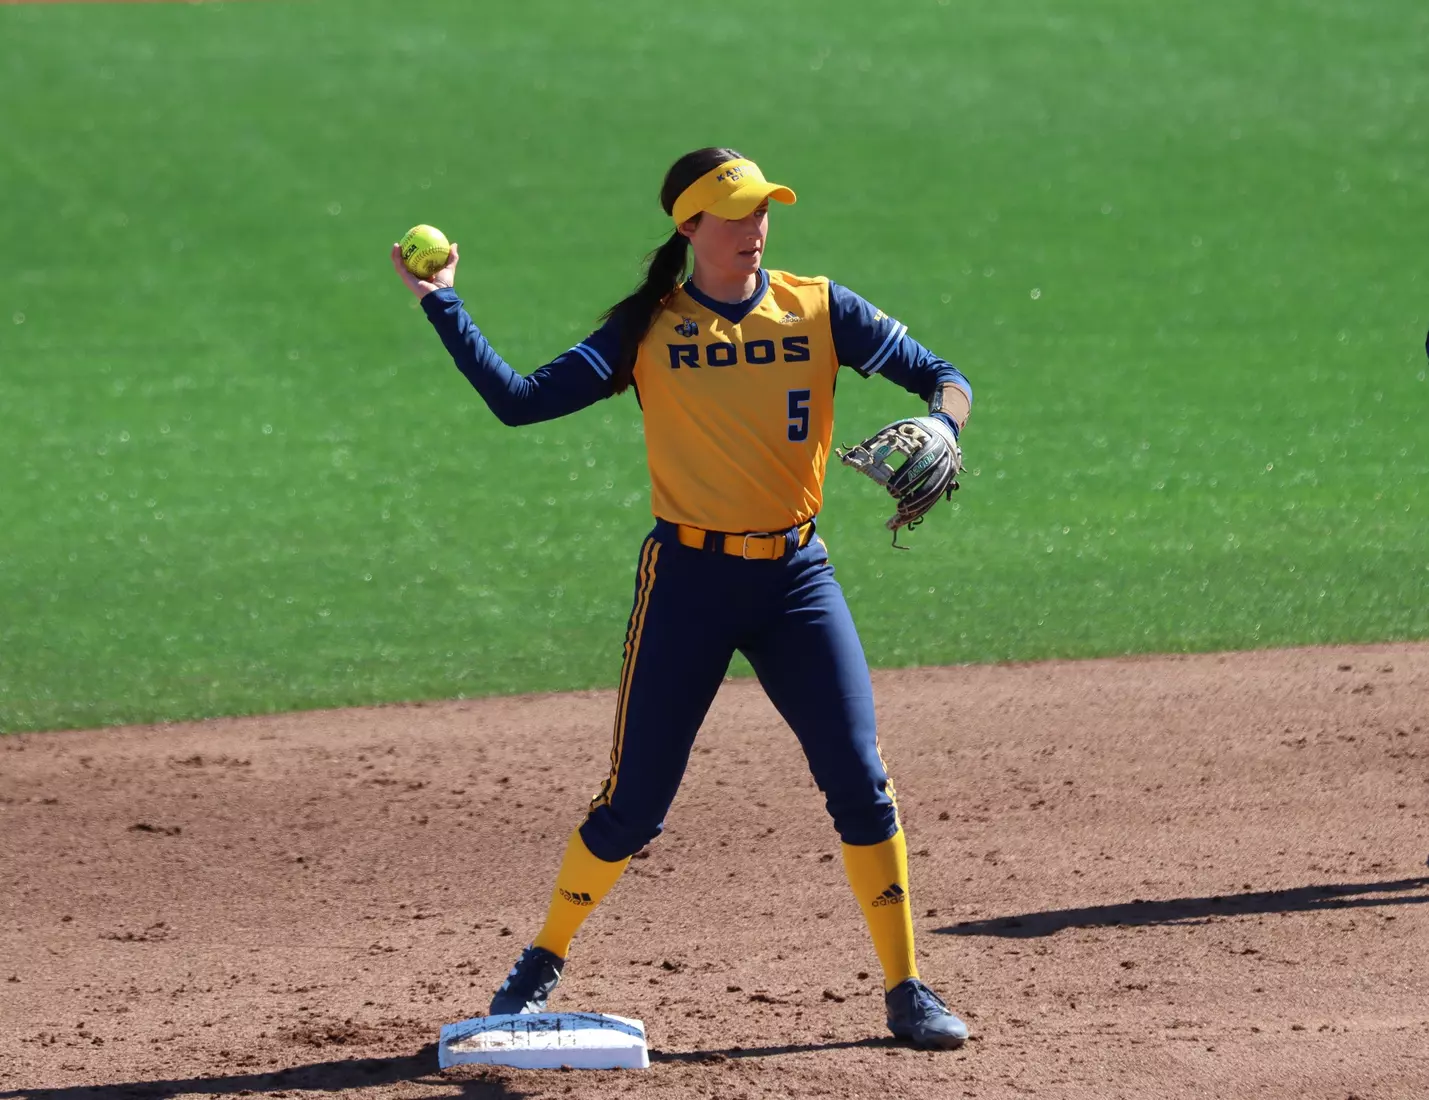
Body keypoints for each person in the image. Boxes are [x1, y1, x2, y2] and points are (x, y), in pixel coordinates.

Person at [389, 147, 974, 1049]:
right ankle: (540, 962)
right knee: (635, 806)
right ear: (690, 226)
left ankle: (907, 989)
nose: (755, 229)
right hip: (688, 584)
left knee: (860, 778)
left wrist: (942, 420)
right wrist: (443, 301)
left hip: (796, 581)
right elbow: (518, 402)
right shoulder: (647, 326)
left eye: (762, 212)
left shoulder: (818, 306)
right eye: (735, 214)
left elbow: (946, 373)